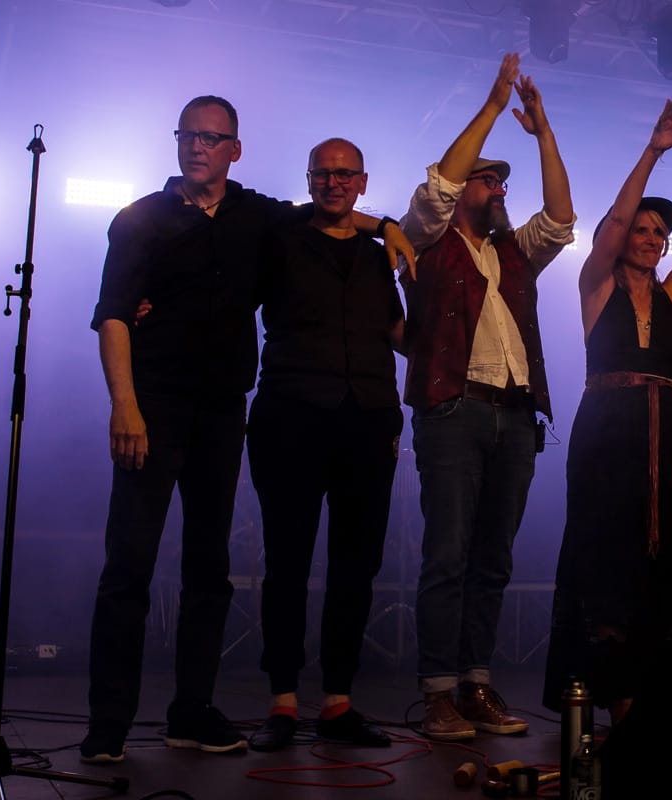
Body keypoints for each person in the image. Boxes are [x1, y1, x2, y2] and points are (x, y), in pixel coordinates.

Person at [84, 96, 410, 763]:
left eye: (212, 138)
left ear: (234, 149)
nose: (197, 146)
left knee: (209, 569)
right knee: (129, 566)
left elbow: (329, 210)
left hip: (222, 410)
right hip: (153, 405)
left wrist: (387, 226)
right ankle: (108, 725)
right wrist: (124, 405)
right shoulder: (140, 217)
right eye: (189, 135)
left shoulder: (256, 214)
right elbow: (113, 312)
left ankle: (191, 713)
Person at [543, 95, 672, 725]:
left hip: (670, 443)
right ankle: (614, 697)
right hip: (608, 439)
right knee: (608, 557)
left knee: (665, 562)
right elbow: (611, 223)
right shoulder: (597, 285)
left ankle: (657, 700)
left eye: (659, 233)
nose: (651, 239)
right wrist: (651, 153)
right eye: (643, 230)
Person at [398, 53, 575, 741]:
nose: (500, 187)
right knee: (447, 554)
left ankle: (475, 685)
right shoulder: (426, 239)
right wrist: (495, 106)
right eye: (488, 178)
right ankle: (438, 692)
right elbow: (438, 187)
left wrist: (544, 132)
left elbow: (560, 217)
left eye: (503, 180)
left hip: (514, 413)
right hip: (453, 407)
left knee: (493, 559)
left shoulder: (513, 252)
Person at [244, 138, 404, 752]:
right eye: (323, 173)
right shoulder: (279, 238)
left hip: (368, 417)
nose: (333, 183)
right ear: (309, 178)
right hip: (291, 413)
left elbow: (398, 333)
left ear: (362, 181)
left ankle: (338, 701)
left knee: (356, 565)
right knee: (287, 562)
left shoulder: (378, 256)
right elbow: (227, 291)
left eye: (345, 174)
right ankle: (282, 702)